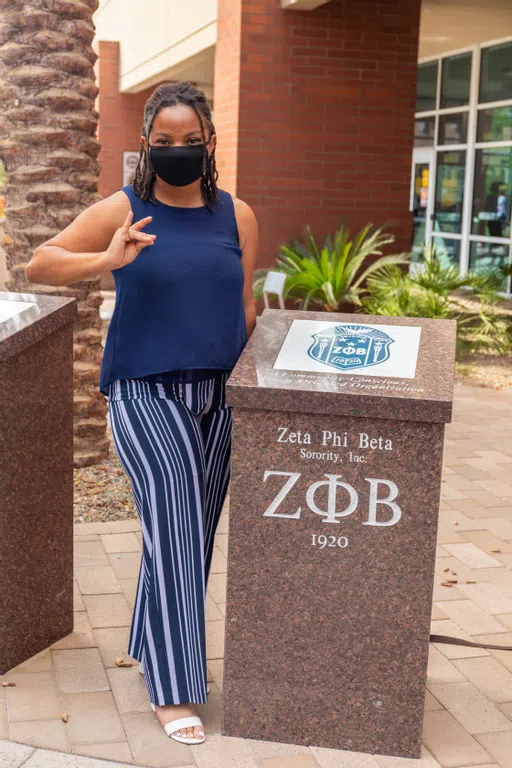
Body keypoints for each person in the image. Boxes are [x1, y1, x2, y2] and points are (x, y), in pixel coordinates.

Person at [25, 80, 258, 746]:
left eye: (191, 141)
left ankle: (145, 637)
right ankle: (174, 688)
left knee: (189, 535)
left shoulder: (237, 216)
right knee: (178, 528)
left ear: (210, 142)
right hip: (144, 391)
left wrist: (251, 389)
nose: (179, 151)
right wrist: (108, 258)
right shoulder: (124, 208)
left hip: (220, 395)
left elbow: (241, 307)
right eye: (165, 142)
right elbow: (41, 262)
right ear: (147, 145)